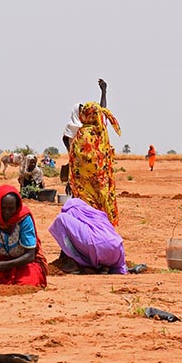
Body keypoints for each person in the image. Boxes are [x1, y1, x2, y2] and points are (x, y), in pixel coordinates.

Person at [69, 79, 120, 226]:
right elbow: (102, 111)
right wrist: (104, 92)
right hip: (100, 185)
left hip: (83, 187)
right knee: (101, 212)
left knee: (86, 215)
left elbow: (75, 160)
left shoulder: (81, 135)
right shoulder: (100, 132)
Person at [48, 198, 127, 274]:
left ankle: (78, 263)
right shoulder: (98, 214)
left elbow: (69, 234)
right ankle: (104, 266)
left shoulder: (72, 211)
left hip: (97, 247)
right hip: (118, 250)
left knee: (61, 219)